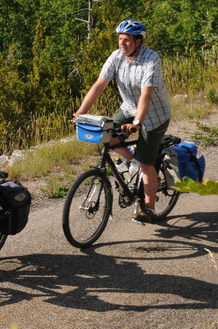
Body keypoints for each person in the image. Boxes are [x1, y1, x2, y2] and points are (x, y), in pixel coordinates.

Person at [72, 19, 172, 223]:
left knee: (146, 162)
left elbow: (146, 95)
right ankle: (131, 160)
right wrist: (81, 111)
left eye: (126, 40)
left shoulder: (151, 59)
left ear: (138, 41)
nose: (122, 44)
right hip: (128, 107)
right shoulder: (116, 57)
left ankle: (149, 208)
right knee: (108, 137)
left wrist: (136, 122)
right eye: (120, 39)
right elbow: (99, 85)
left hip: (154, 115)